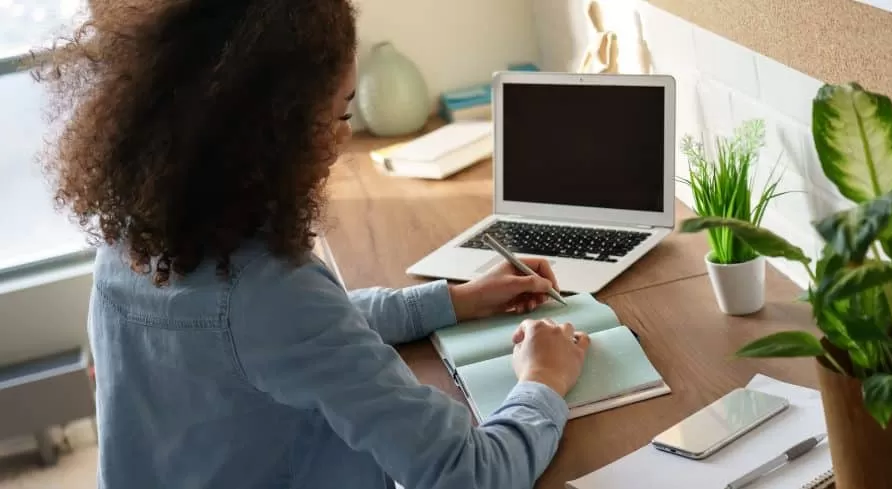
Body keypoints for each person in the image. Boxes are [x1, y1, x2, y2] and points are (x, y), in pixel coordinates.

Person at [36, 1, 591, 488]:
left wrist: (455, 300)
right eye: (339, 112)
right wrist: (543, 379)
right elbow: (466, 474)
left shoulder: (133, 238)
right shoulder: (268, 290)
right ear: (271, 134)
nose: (344, 136)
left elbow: (294, 336)